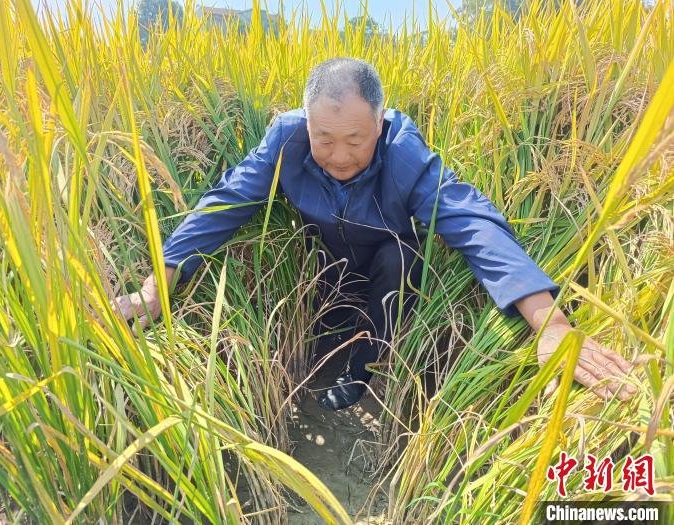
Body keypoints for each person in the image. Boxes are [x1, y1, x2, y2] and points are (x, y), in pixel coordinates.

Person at [111, 57, 641, 411]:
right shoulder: (286, 139)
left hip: (389, 273)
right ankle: (328, 340)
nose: (339, 156)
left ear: (381, 125)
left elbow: (472, 222)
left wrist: (550, 322)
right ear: (306, 124)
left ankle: (366, 368)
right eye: (325, 139)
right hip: (325, 264)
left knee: (399, 256)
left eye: (356, 141)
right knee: (317, 278)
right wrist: (159, 285)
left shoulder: (405, 153)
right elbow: (224, 205)